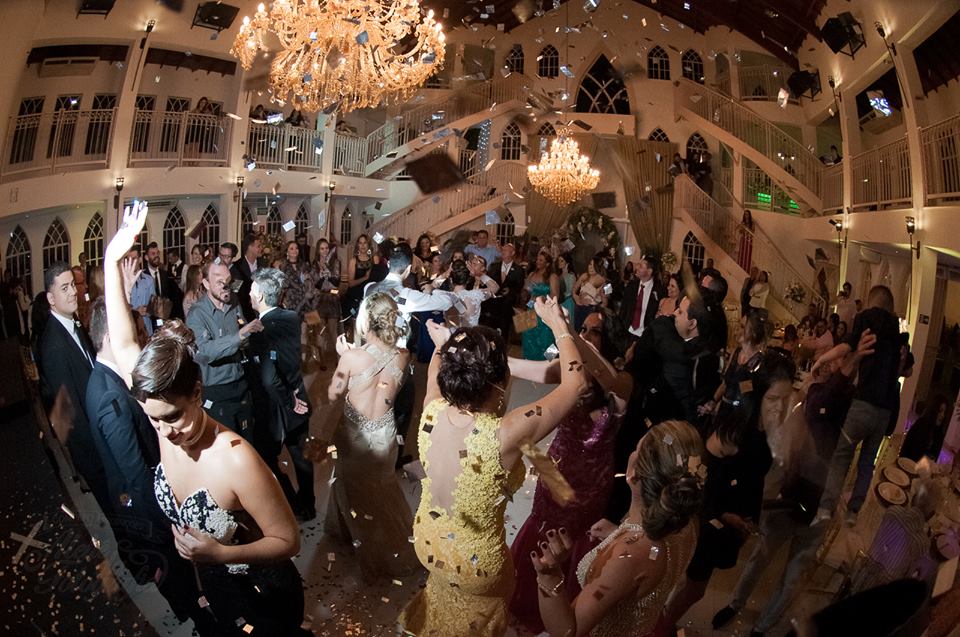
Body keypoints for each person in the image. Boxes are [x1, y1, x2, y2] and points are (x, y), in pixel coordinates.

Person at [102, 203, 308, 637]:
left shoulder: (234, 457)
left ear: (198, 394)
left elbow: (288, 540)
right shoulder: (162, 414)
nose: (165, 432)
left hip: (261, 592)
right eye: (154, 420)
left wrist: (221, 555)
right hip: (212, 585)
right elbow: (121, 342)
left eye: (173, 417)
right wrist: (110, 260)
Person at [400, 298, 588, 636]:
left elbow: (435, 368)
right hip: (476, 567)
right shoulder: (506, 433)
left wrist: (444, 344)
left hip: (428, 544)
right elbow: (576, 385)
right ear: (500, 379)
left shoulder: (432, 407)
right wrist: (557, 323)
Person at [711, 336, 873, 636]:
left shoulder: (841, 396)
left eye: (838, 357)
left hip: (820, 503)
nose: (831, 359)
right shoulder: (815, 392)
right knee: (761, 556)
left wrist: (845, 360)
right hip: (792, 494)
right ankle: (735, 603)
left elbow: (831, 393)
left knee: (792, 574)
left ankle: (762, 627)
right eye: (831, 354)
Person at [84, 297, 205, 627]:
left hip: (138, 501)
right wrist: (167, 516)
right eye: (135, 331)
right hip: (144, 508)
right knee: (175, 571)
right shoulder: (109, 394)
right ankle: (197, 616)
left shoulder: (105, 378)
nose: (139, 339)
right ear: (111, 336)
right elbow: (135, 471)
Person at [508, 311, 632, 633]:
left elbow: (606, 377)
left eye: (595, 331)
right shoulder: (569, 368)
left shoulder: (621, 382)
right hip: (555, 471)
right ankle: (528, 602)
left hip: (593, 483)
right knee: (542, 527)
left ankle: (563, 610)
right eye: (583, 328)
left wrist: (568, 334)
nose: (586, 335)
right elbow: (528, 369)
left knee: (576, 540)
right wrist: (490, 355)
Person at [659, 351, 796, 634]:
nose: (780, 407)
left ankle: (663, 621)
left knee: (694, 585)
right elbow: (699, 476)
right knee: (693, 587)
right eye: (774, 399)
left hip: (732, 519)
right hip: (709, 518)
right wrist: (723, 514)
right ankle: (660, 626)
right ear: (759, 395)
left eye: (786, 399)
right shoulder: (735, 431)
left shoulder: (767, 427)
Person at [532, 420, 705, 637]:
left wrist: (549, 576)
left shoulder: (630, 556)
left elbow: (567, 632)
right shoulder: (685, 519)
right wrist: (620, 531)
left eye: (637, 449)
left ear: (633, 473)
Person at [323, 292, 420, 578]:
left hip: (356, 438)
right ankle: (390, 544)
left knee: (355, 493)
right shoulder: (403, 355)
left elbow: (333, 395)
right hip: (386, 433)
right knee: (382, 490)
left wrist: (343, 357)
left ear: (366, 320)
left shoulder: (352, 357)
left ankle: (372, 556)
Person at [811, 285, 902, 527]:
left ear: (872, 302)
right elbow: (904, 369)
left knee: (842, 457)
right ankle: (853, 512)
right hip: (884, 412)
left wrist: (821, 359)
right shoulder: (898, 332)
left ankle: (825, 509)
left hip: (863, 404)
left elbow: (846, 347)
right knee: (867, 461)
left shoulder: (866, 318)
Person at [248, 268, 315, 522]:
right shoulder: (291, 317)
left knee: (265, 458)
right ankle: (308, 505)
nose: (249, 294)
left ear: (261, 296)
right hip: (298, 393)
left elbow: (269, 378)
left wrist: (289, 401)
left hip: (276, 406)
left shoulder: (260, 330)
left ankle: (291, 504)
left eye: (252, 290)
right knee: (301, 456)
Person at [37, 261, 106, 506]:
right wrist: (99, 453)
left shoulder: (72, 322)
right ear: (51, 299)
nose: (73, 292)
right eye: (64, 288)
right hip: (93, 450)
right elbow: (68, 414)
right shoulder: (53, 346)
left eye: (73, 286)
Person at [186, 261, 263, 444]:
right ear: (206, 284)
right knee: (227, 445)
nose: (225, 286)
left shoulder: (234, 302)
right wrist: (239, 337)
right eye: (219, 281)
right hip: (217, 392)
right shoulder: (197, 314)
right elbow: (204, 352)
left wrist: (249, 337)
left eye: (228, 280)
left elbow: (243, 329)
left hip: (241, 384)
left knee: (247, 442)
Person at [482, 242, 525, 341]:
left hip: (507, 306)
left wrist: (511, 291)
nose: (503, 252)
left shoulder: (519, 270)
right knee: (490, 331)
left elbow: (519, 287)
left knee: (504, 331)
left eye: (506, 250)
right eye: (502, 250)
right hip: (492, 305)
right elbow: (487, 283)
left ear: (512, 252)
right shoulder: (494, 266)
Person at [522, 250, 560, 360]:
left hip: (545, 311)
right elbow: (526, 289)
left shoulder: (552, 276)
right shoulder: (532, 274)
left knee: (547, 338)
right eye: (537, 259)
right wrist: (525, 294)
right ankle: (529, 361)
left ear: (547, 263)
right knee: (527, 336)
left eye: (541, 260)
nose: (537, 262)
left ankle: (549, 363)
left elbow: (555, 295)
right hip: (530, 308)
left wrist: (541, 298)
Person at [312, 238, 342, 369]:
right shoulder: (314, 264)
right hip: (319, 299)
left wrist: (327, 271)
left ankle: (338, 359)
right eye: (322, 248)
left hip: (332, 297)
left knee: (333, 331)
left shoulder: (336, 262)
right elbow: (316, 284)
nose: (325, 251)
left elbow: (336, 282)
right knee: (320, 331)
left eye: (326, 248)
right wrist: (320, 272)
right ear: (318, 250)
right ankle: (322, 361)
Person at [620, 255, 662, 341]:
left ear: (649, 271)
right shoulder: (631, 286)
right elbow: (623, 308)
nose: (637, 268)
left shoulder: (659, 290)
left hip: (644, 336)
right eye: (638, 265)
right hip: (627, 331)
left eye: (641, 266)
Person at [449, 258, 499, 328]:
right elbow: (495, 287)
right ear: (467, 280)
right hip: (473, 333)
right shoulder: (475, 295)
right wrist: (479, 274)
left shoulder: (445, 296)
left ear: (451, 280)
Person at [901, 395, 950, 462]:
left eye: (944, 412)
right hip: (908, 463)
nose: (942, 415)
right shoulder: (920, 424)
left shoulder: (939, 435)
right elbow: (907, 448)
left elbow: (934, 457)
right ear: (934, 410)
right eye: (940, 411)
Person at [230, 233, 263, 323]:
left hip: (261, 311)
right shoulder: (237, 267)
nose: (261, 248)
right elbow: (234, 291)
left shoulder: (263, 264)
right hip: (245, 313)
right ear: (250, 247)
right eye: (258, 246)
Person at [341, 233, 374, 323]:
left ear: (368, 244)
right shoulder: (353, 261)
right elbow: (350, 283)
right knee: (355, 323)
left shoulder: (374, 260)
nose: (363, 245)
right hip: (355, 297)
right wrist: (365, 277)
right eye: (360, 243)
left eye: (365, 243)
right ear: (357, 245)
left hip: (369, 296)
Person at [572, 255, 607, 333]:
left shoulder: (605, 281)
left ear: (599, 267)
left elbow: (606, 302)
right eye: (590, 264)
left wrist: (598, 304)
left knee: (589, 333)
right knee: (577, 331)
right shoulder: (584, 276)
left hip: (592, 311)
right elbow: (573, 291)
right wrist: (577, 299)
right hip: (579, 308)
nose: (591, 268)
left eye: (594, 266)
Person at [555, 254, 576, 326]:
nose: (559, 263)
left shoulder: (571, 275)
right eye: (558, 261)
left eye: (562, 261)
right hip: (560, 302)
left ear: (567, 263)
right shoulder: (558, 275)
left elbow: (571, 291)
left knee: (568, 324)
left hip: (568, 301)